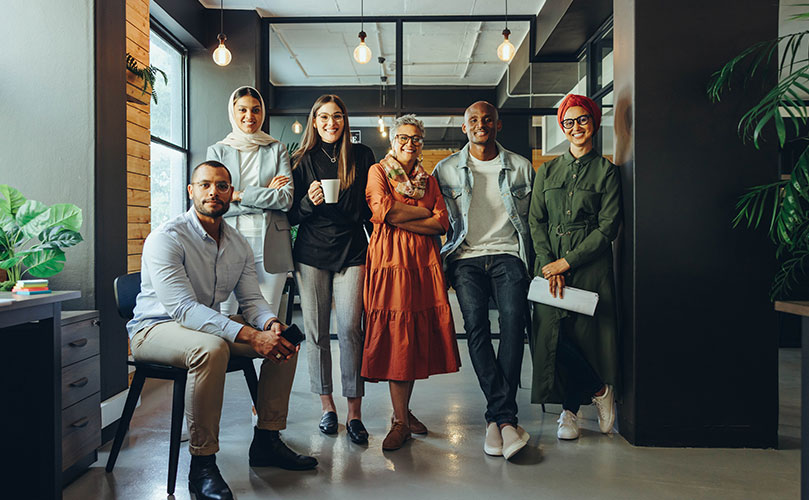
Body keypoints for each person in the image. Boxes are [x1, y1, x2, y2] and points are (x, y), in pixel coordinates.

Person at [127, 161, 316, 500]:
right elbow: (183, 309)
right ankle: (202, 466)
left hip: (206, 328)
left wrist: (270, 325)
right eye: (205, 185)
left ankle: (267, 441)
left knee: (285, 340)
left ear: (231, 193)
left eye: (222, 185)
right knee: (212, 349)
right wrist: (250, 336)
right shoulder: (167, 238)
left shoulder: (237, 243)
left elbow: (252, 300)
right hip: (155, 329)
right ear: (192, 191)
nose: (213, 191)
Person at [432, 101, 534, 459]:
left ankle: (498, 419)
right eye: (473, 120)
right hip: (466, 258)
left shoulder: (521, 167)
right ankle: (506, 418)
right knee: (475, 326)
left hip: (509, 254)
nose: (481, 125)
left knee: (513, 323)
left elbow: (532, 221)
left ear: (498, 124)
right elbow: (438, 222)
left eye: (487, 119)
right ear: (464, 128)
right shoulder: (445, 171)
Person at [362, 114, 461, 451]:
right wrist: (422, 214)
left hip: (422, 263)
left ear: (422, 144)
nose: (409, 143)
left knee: (415, 334)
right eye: (403, 137)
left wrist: (404, 213)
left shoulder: (428, 180)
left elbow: (442, 223)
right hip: (391, 264)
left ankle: (401, 414)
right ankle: (401, 421)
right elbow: (383, 211)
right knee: (396, 335)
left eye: (416, 138)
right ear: (393, 141)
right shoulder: (378, 172)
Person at [528, 94, 621, 440]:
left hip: (590, 267)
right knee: (552, 338)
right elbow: (535, 221)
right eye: (569, 122)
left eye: (583, 120)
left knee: (583, 337)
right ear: (561, 127)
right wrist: (550, 265)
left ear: (594, 123)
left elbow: (608, 227)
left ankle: (572, 410)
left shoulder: (607, 172)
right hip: (549, 265)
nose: (576, 127)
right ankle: (597, 391)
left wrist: (567, 262)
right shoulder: (547, 170)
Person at [288, 94, 376, 444]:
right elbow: (291, 215)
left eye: (337, 116)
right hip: (310, 254)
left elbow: (371, 206)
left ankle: (355, 412)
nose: (330, 123)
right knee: (316, 331)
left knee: (352, 328)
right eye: (323, 117)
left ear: (345, 120)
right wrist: (309, 202)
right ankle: (327, 406)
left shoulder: (363, 155)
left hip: (353, 251)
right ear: (314, 121)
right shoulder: (301, 160)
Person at [206, 86, 293, 320]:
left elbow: (285, 199)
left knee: (267, 318)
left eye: (255, 110)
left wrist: (239, 195)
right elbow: (215, 202)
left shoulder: (276, 149)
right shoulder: (218, 151)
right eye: (242, 110)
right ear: (232, 112)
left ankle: (260, 359)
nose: (249, 116)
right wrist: (265, 194)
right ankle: (226, 359)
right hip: (227, 241)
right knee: (222, 317)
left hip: (270, 245)